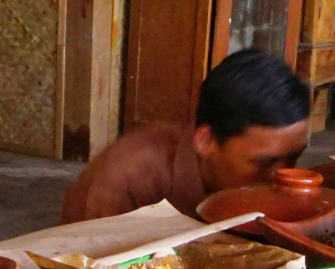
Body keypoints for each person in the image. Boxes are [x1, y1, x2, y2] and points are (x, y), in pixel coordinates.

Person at [60, 49, 311, 223]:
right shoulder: (125, 180)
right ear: (206, 141)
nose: (285, 177)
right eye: (264, 163)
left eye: (294, 158)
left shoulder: (247, 178)